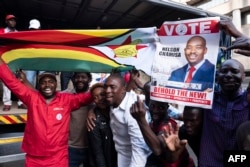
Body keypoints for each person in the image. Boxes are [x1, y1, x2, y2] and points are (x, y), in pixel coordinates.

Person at [0, 56, 93, 166]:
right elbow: (11, 82)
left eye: (51, 82)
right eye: (43, 82)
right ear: (39, 85)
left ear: (55, 85)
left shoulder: (66, 100)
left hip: (58, 158)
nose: (47, 85)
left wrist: (98, 94)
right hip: (34, 158)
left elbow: (90, 96)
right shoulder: (32, 98)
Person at [199, 59, 250, 167]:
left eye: (234, 71)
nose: (228, 75)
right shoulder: (207, 99)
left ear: (243, 76)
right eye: (224, 71)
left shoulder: (248, 100)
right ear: (217, 76)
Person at [130, 96, 195, 167]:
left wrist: (140, 119)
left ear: (167, 108)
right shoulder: (154, 123)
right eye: (152, 106)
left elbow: (157, 149)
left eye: (161, 108)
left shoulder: (168, 125)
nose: (155, 110)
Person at [104, 73, 151, 167]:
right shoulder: (113, 100)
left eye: (112, 87)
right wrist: (91, 111)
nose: (107, 91)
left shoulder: (132, 110)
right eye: (106, 87)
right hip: (122, 155)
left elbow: (140, 150)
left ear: (123, 89)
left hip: (137, 159)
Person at [65, 72, 93, 167]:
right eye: (77, 77)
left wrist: (92, 109)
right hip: (70, 148)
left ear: (89, 79)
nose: (80, 79)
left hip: (91, 148)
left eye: (83, 77)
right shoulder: (66, 95)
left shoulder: (95, 96)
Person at [0, 14, 26, 110]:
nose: (13, 22)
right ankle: (7, 103)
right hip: (5, 60)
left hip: (16, 60)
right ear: (6, 22)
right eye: (10, 20)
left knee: (19, 81)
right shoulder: (2, 32)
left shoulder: (18, 33)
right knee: (6, 81)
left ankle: (20, 102)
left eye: (14, 20)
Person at [88, 83, 117, 167]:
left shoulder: (116, 111)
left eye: (102, 94)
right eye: (95, 97)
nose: (99, 99)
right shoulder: (94, 120)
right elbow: (98, 153)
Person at [25, 19, 45, 88]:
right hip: (31, 62)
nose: (33, 30)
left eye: (35, 29)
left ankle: (40, 97)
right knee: (29, 79)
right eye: (32, 29)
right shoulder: (26, 38)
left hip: (42, 61)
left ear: (39, 28)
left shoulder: (45, 37)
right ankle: (29, 97)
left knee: (42, 80)